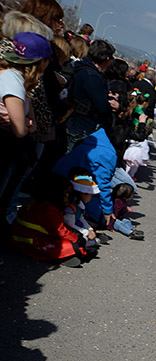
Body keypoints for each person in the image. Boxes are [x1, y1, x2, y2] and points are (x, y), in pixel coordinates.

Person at [0, 32, 52, 224]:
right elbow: (21, 128)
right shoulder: (13, 81)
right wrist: (28, 126)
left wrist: (29, 123)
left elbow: (31, 118)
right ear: (41, 62)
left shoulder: (16, 78)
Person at [65, 38, 115, 151]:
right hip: (82, 125)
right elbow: (102, 107)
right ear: (107, 59)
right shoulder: (92, 76)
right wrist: (111, 104)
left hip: (74, 120)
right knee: (73, 161)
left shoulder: (81, 67)